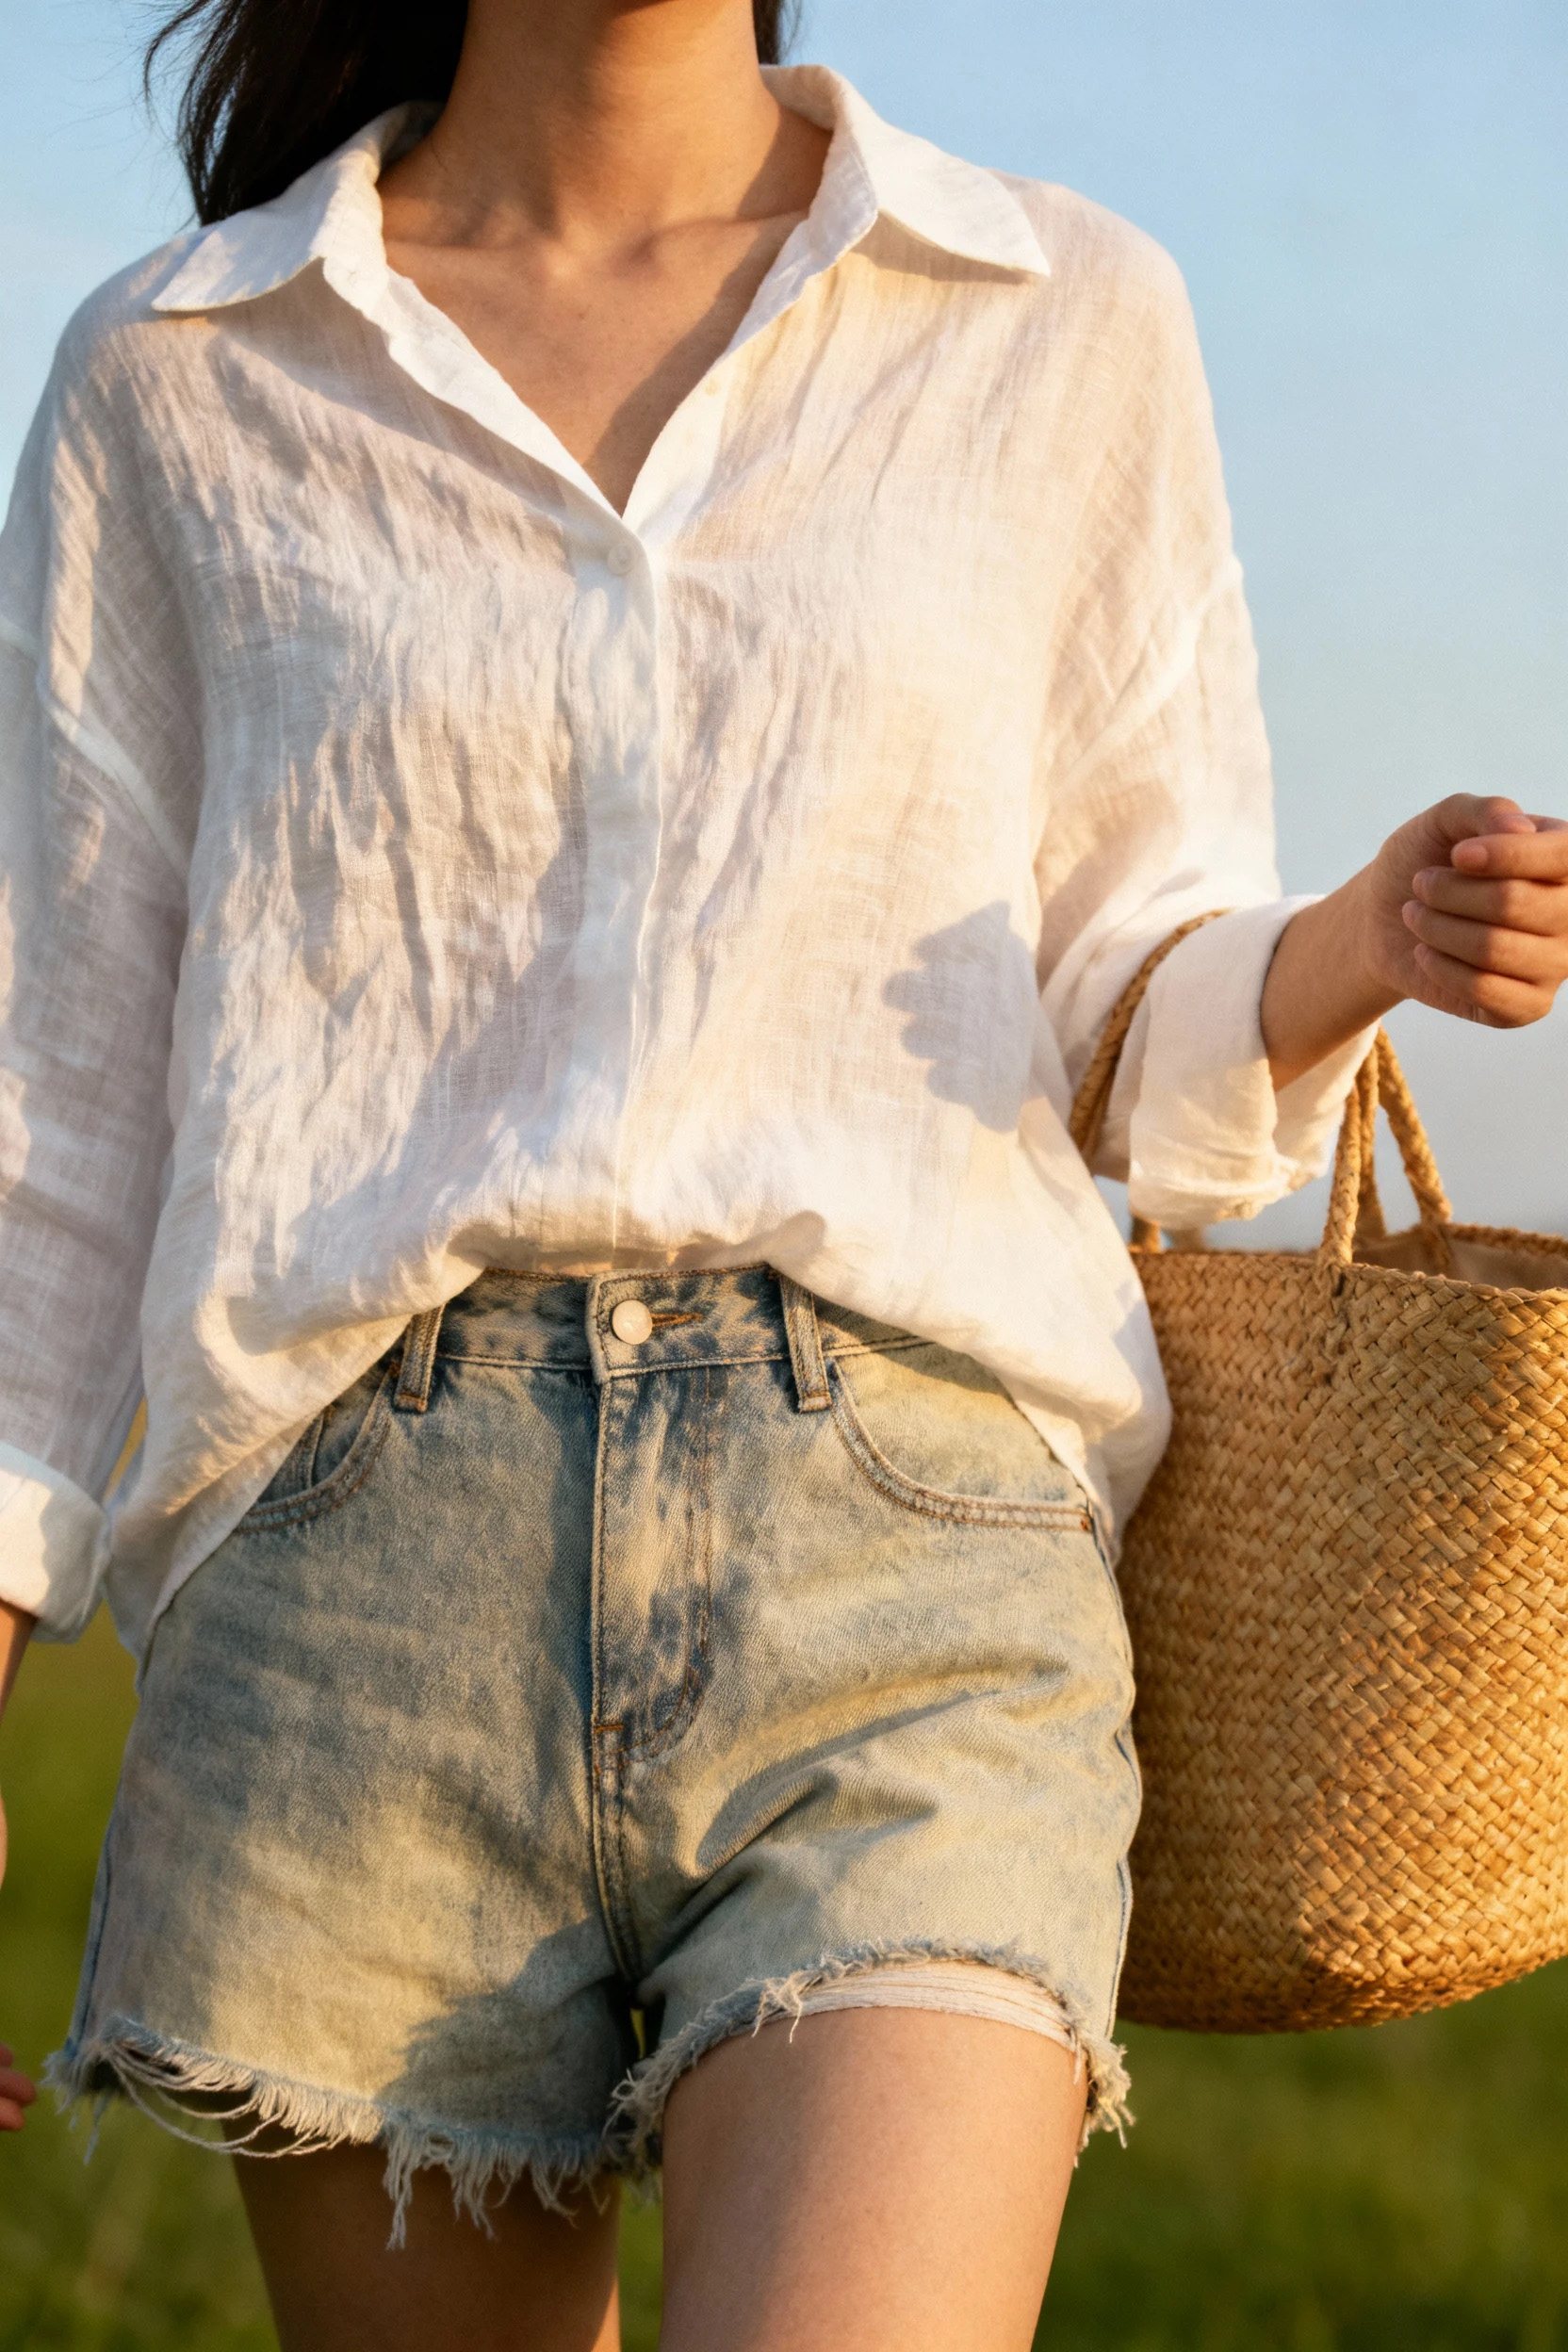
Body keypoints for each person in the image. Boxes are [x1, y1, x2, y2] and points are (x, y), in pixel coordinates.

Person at [0, 1, 1563, 2344]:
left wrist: (1350, 948)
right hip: (345, 1611)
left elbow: (1115, 985)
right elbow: (54, 1114)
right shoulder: (185, 371)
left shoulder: (1054, 313)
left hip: (907, 1569)